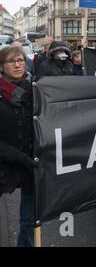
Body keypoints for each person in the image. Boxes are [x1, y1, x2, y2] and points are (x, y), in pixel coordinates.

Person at [0, 46, 36, 247]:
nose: (17, 64)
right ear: (2, 66)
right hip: (5, 163)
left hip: (31, 162)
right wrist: (19, 157)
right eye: (11, 61)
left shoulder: (37, 89)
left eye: (21, 60)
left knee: (28, 221)